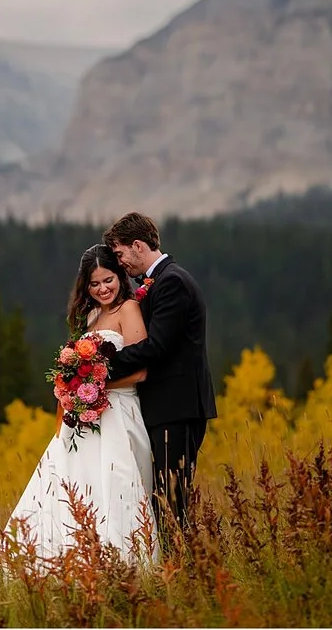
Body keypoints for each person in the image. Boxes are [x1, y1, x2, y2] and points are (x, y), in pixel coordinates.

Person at [0, 244, 156, 562]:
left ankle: (121, 562)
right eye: (94, 284)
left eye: (108, 280)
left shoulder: (128, 309)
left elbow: (140, 371)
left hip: (119, 414)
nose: (102, 289)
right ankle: (69, 557)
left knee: (115, 483)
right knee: (72, 483)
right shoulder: (91, 315)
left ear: (119, 276)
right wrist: (73, 386)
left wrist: (95, 384)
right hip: (83, 418)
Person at [101, 210, 218, 540]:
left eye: (121, 254)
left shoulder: (172, 282)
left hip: (178, 407)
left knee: (171, 494)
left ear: (138, 245)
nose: (120, 262)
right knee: (164, 491)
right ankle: (173, 560)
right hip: (167, 407)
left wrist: (102, 368)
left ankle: (178, 564)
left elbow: (157, 347)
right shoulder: (159, 281)